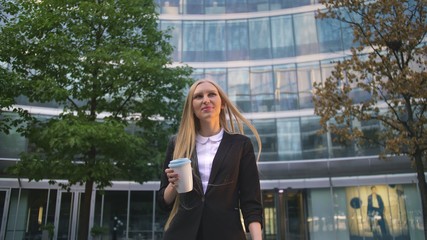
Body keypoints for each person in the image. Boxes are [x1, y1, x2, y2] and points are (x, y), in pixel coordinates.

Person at [157, 79, 263, 240]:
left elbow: (251, 203)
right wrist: (173, 184)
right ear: (192, 107)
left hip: (227, 234)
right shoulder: (178, 143)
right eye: (198, 96)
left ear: (222, 104)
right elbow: (163, 203)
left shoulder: (241, 145)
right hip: (181, 233)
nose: (206, 99)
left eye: (211, 94)